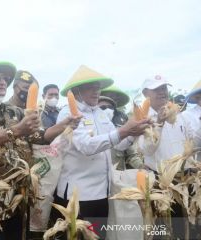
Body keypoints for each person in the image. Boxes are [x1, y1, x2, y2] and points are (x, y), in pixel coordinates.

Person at [0, 62, 80, 240]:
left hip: (20, 195)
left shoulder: (15, 112)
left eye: (5, 79)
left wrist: (64, 125)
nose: (3, 83)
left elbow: (41, 136)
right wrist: (16, 130)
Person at [52, 65, 149, 239]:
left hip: (102, 192)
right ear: (77, 90)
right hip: (78, 195)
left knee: (98, 235)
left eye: (98, 87)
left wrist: (134, 133)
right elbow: (86, 146)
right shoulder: (67, 113)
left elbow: (117, 145)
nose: (97, 91)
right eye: (91, 87)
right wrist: (123, 131)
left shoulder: (100, 114)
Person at [137, 75, 201, 239]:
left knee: (190, 225)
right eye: (157, 89)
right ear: (145, 94)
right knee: (166, 229)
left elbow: (194, 146)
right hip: (163, 184)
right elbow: (147, 150)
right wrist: (160, 124)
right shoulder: (142, 120)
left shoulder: (181, 116)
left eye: (164, 88)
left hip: (188, 179)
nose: (162, 92)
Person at [98, 96, 144, 170]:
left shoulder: (121, 129)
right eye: (102, 107)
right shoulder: (89, 130)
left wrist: (142, 167)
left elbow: (131, 154)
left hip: (118, 176)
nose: (107, 109)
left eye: (110, 107)